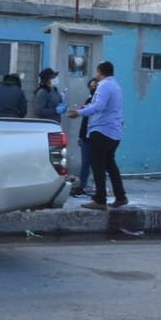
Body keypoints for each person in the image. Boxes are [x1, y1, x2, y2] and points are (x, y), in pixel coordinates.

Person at [67, 61, 127, 210]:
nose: (96, 74)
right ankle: (120, 197)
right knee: (110, 165)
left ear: (100, 72)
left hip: (101, 131)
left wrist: (79, 112)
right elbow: (103, 106)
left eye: (96, 71)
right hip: (113, 132)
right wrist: (86, 107)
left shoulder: (104, 85)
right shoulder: (116, 86)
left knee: (98, 165)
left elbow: (99, 106)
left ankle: (100, 200)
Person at [68, 77, 98, 198]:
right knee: (85, 163)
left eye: (95, 86)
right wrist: (81, 136)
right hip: (85, 136)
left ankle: (98, 187)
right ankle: (82, 186)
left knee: (97, 163)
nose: (93, 88)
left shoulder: (99, 102)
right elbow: (84, 120)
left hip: (95, 136)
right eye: (91, 86)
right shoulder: (89, 100)